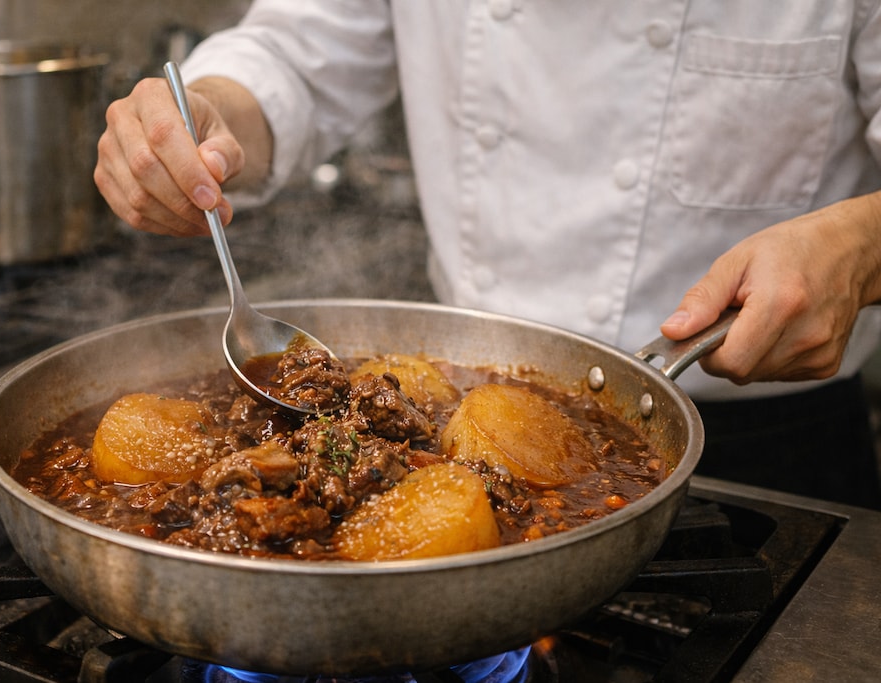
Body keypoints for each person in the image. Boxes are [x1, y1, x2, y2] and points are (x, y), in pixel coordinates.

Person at [94, 1, 881, 509]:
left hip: (769, 458)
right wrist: (203, 124)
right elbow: (298, 55)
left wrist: (855, 245)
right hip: (458, 373)